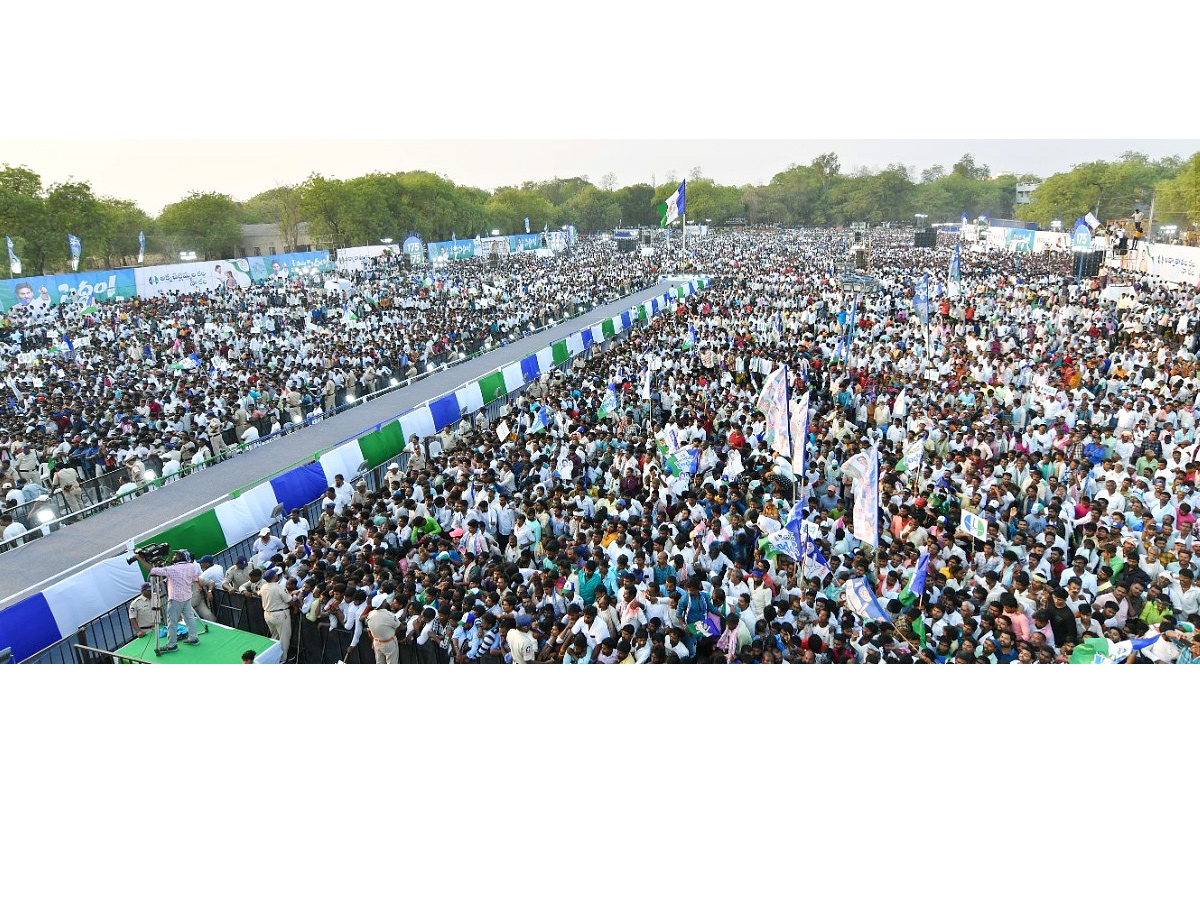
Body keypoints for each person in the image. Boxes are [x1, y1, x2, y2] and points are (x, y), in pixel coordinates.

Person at [134, 548, 201, 652]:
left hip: (175, 599)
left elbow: (151, 571)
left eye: (176, 555)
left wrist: (140, 559)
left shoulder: (173, 569)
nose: (173, 556)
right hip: (187, 596)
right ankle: (193, 638)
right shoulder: (191, 566)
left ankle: (171, 645)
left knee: (172, 622)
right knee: (189, 618)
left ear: (180, 557)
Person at [259, 567, 294, 662]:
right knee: (284, 638)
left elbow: (258, 593)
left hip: (268, 614)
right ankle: (282, 659)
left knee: (274, 636)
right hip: (279, 614)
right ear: (274, 576)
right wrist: (295, 608)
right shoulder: (279, 587)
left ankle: (272, 656)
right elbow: (289, 600)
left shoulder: (263, 587)